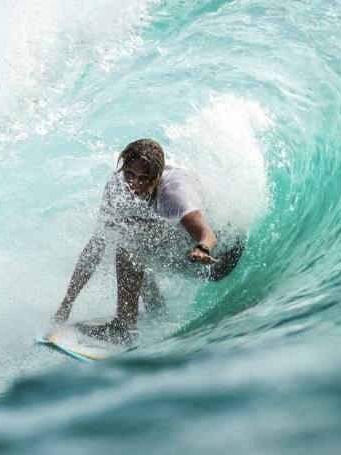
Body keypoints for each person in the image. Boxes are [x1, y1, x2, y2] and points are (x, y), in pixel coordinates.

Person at [52, 139, 244, 344]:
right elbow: (96, 247)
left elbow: (208, 234)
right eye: (130, 173)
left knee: (129, 245)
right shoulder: (117, 186)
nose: (135, 182)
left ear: (157, 176)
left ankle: (124, 327)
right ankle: (157, 311)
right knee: (125, 233)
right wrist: (67, 304)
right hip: (183, 251)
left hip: (218, 258)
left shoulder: (174, 194)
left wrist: (202, 249)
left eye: (144, 177)